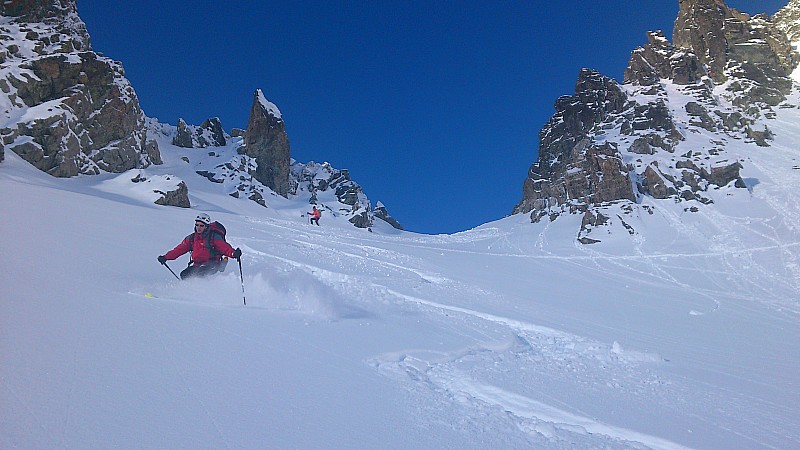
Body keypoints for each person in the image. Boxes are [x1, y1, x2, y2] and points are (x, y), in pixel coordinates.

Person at [158, 213, 242, 279]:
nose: (199, 227)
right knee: (184, 275)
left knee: (199, 275)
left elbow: (224, 248)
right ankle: (188, 293)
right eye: (197, 225)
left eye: (201, 225)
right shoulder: (191, 238)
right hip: (197, 265)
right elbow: (179, 250)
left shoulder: (213, 237)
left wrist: (234, 253)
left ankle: (203, 295)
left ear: (206, 226)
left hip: (213, 264)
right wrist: (165, 257)